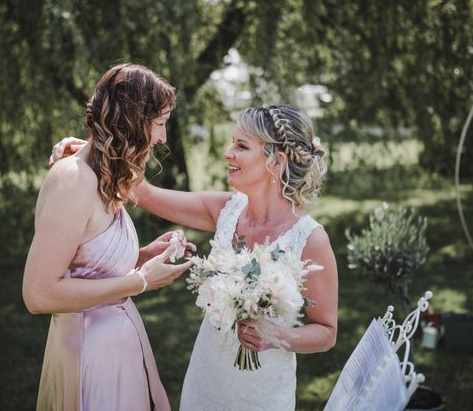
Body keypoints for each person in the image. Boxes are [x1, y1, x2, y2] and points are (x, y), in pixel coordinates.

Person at [52, 104, 338, 411]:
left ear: (276, 161)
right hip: (206, 380)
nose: (228, 153)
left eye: (241, 146)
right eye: (232, 142)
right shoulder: (224, 209)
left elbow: (326, 332)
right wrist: (95, 153)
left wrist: (277, 337)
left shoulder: (310, 239)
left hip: (263, 393)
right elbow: (144, 194)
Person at [23, 63, 194, 411]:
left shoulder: (106, 177)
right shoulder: (72, 180)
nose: (162, 137)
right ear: (132, 120)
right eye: (159, 124)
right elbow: (39, 294)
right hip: (89, 353)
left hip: (120, 347)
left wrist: (144, 256)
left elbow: (87, 266)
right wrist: (140, 282)